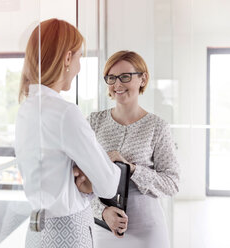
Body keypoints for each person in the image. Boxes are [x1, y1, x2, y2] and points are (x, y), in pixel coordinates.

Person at [14, 18, 122, 247]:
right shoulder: (65, 113)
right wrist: (92, 178)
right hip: (69, 233)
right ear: (66, 58)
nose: (79, 66)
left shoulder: (26, 108)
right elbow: (109, 183)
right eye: (79, 57)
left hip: (36, 232)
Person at [75, 50, 180, 248]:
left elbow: (172, 183)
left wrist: (132, 168)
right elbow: (80, 180)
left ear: (143, 78)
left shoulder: (157, 127)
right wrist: (103, 212)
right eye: (112, 78)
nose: (117, 85)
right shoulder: (94, 122)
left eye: (125, 77)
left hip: (147, 230)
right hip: (104, 228)